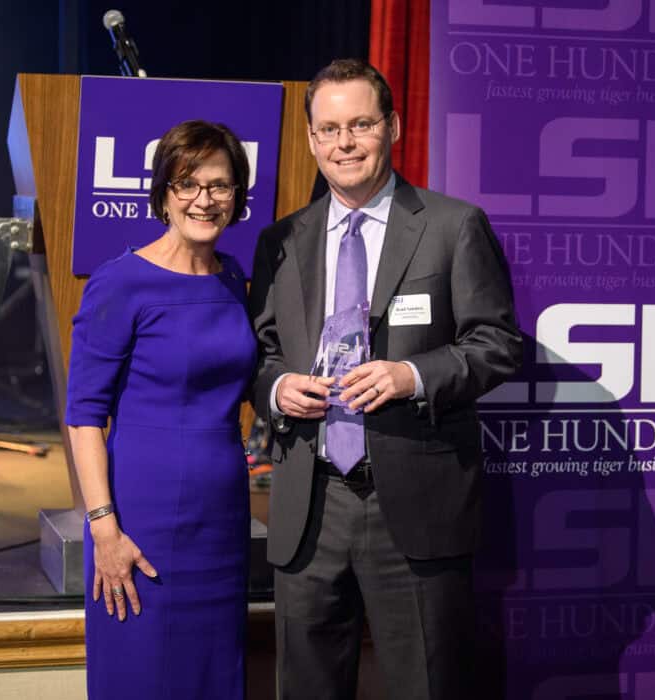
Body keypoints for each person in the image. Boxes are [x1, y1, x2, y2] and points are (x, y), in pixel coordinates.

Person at [249, 59, 522, 699]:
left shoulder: (453, 227)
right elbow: (260, 353)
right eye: (330, 129)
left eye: (361, 125)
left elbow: (498, 344)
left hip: (416, 505)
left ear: (392, 127)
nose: (345, 143)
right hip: (310, 506)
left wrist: (412, 374)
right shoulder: (281, 240)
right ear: (311, 139)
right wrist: (277, 390)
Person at [65, 119, 254, 699]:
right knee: (142, 674)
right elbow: (83, 416)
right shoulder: (121, 283)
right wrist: (104, 530)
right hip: (140, 521)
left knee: (212, 677)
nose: (204, 199)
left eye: (219, 185)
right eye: (187, 184)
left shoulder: (234, 278)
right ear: (163, 193)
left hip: (221, 520)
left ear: (237, 195)